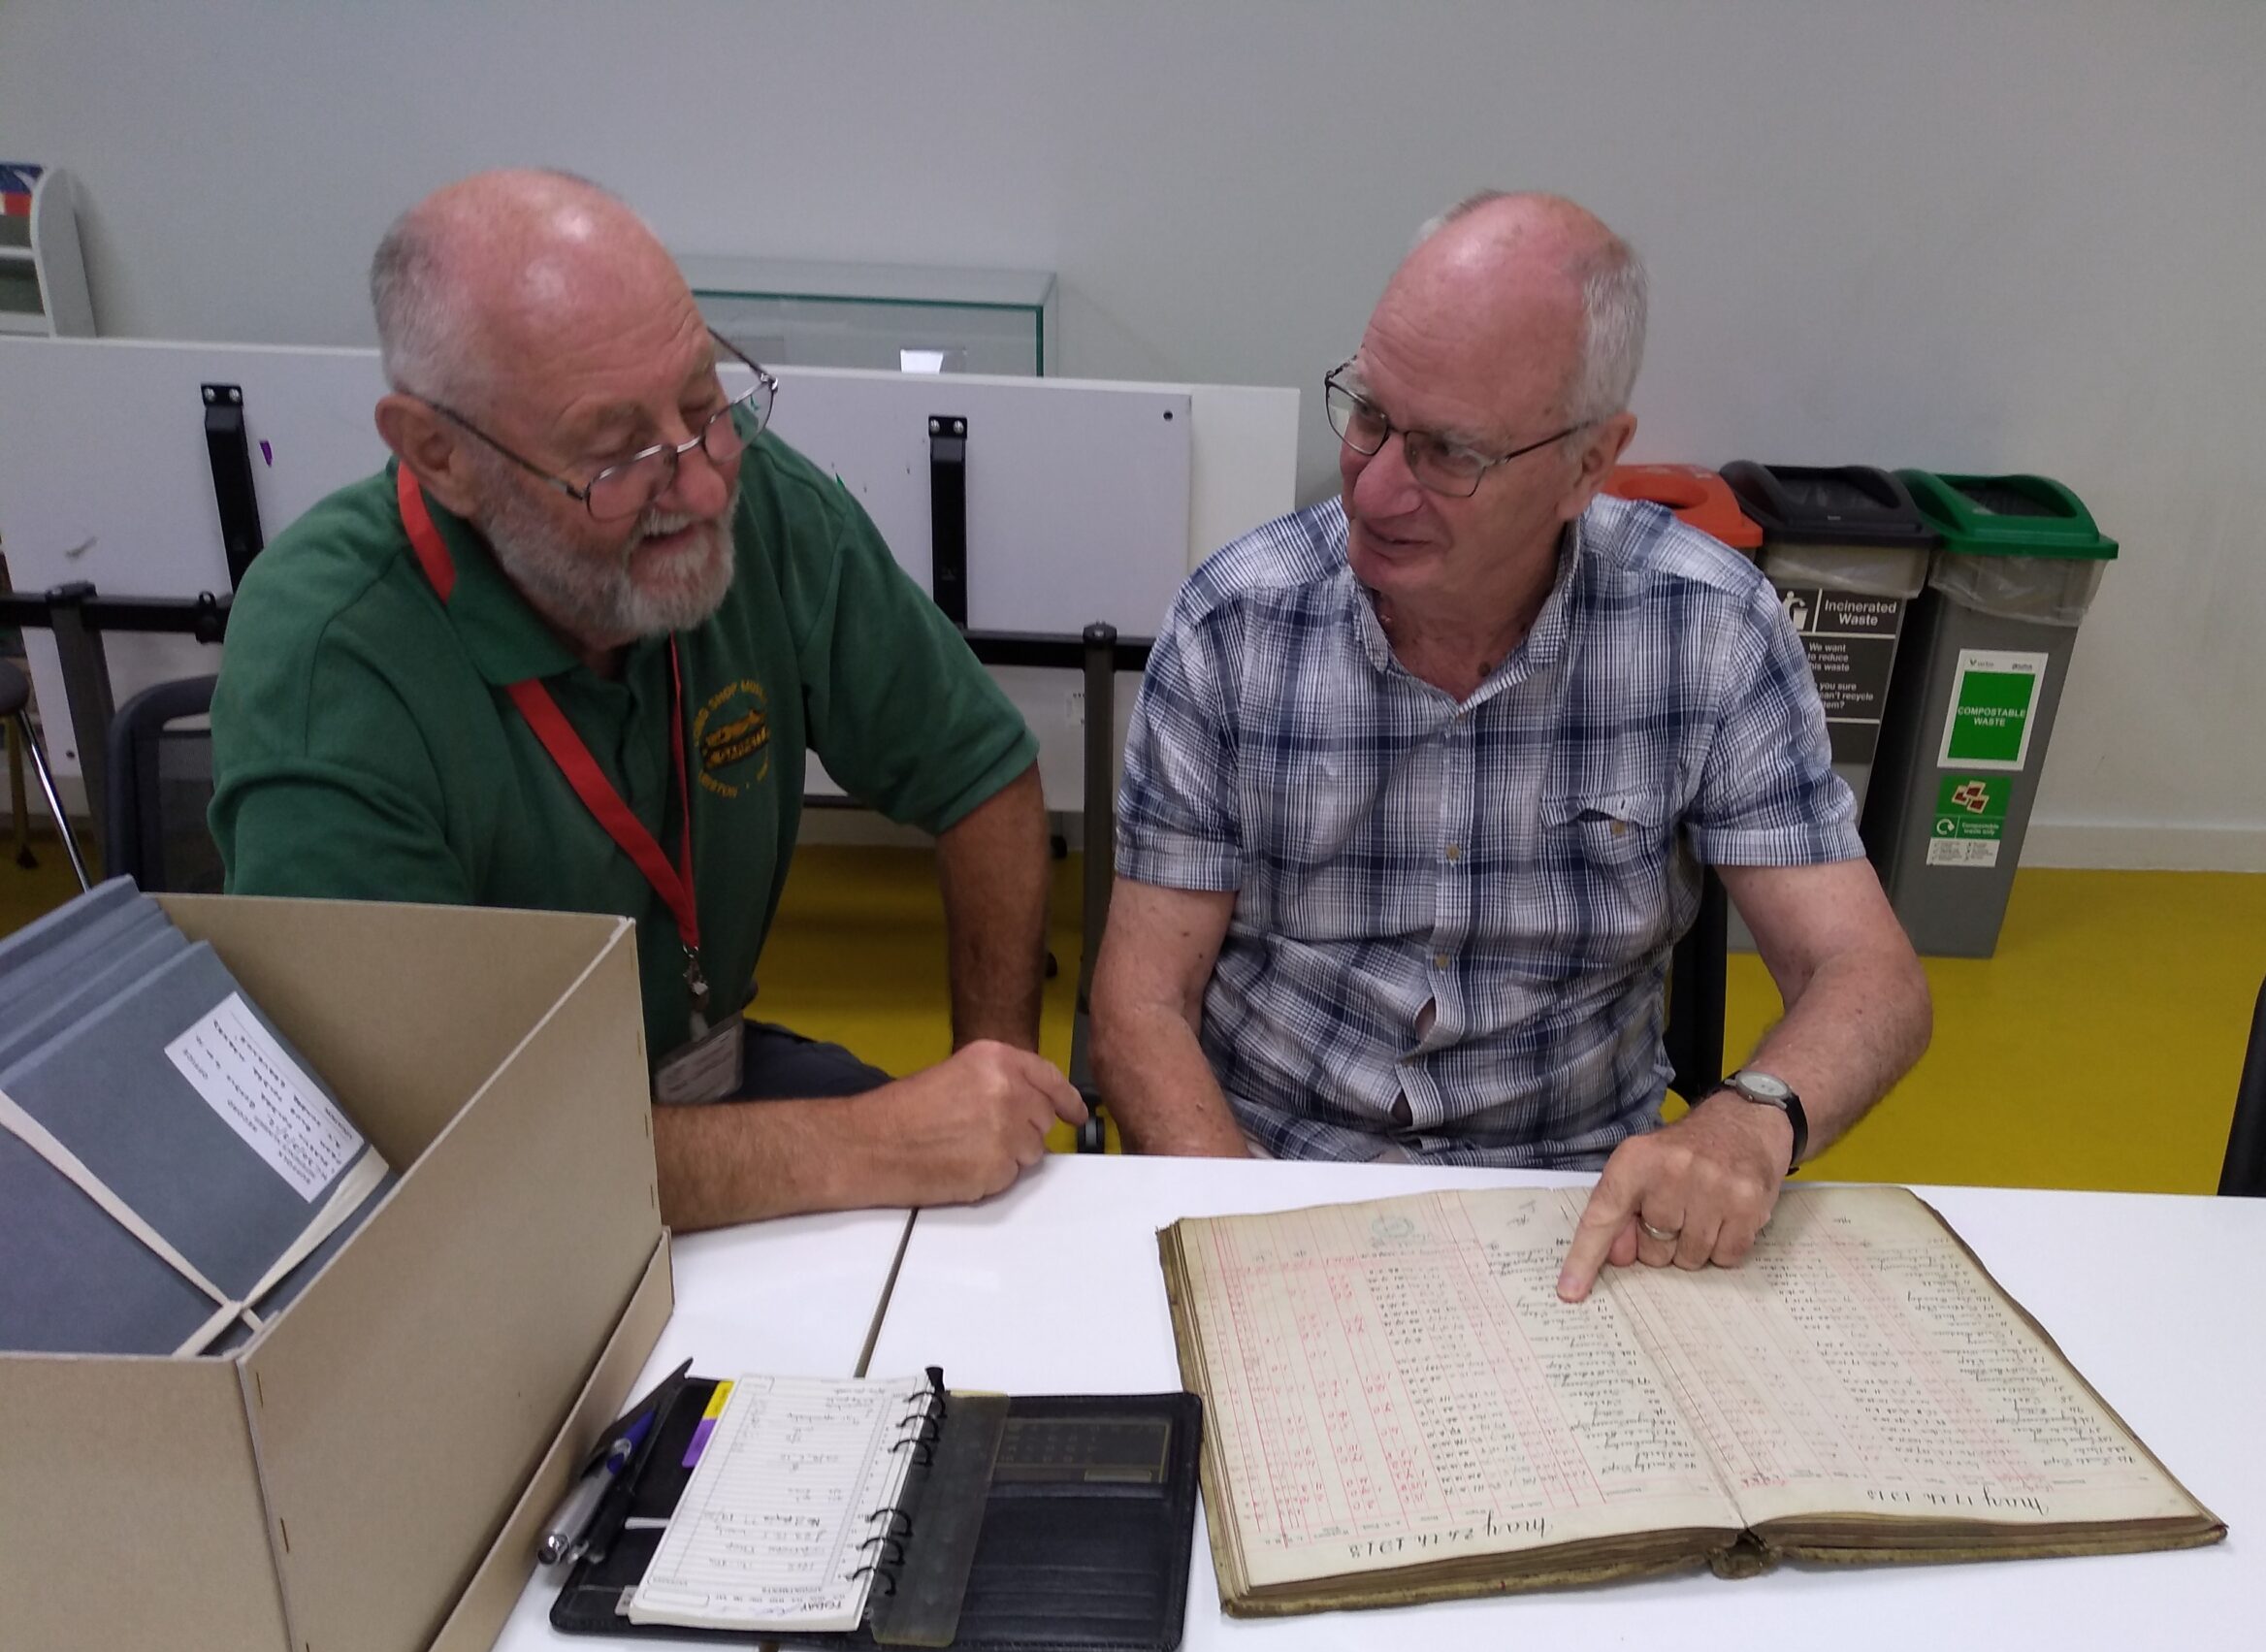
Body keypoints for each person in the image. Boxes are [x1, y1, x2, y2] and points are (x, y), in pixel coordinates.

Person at [1093, 190, 1930, 1298]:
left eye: (1447, 452)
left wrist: (1749, 1121)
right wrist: (1245, 1229)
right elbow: (1142, 1001)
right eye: (1368, 417)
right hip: (1271, 1171)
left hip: (1577, 1210)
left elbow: (1867, 974)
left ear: (1589, 465)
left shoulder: (1707, 630)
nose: (1376, 486)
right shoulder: (1236, 624)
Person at [210, 170, 1084, 1229]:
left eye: (708, 402)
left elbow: (980, 775)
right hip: (478, 1190)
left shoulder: (761, 504)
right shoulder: (329, 658)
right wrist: (869, 1144)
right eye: (618, 453)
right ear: (440, 454)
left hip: (701, 1073)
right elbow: (435, 1148)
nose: (708, 486)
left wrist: (990, 1073)